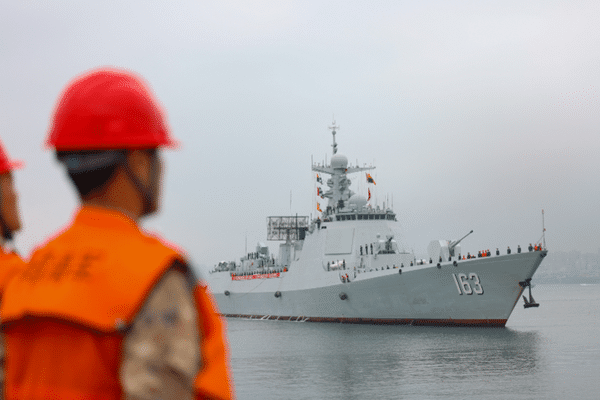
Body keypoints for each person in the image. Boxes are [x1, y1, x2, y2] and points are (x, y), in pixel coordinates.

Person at [0, 68, 233, 400]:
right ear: (137, 162)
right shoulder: (153, 277)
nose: (161, 168)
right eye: (156, 154)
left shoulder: (27, 277)